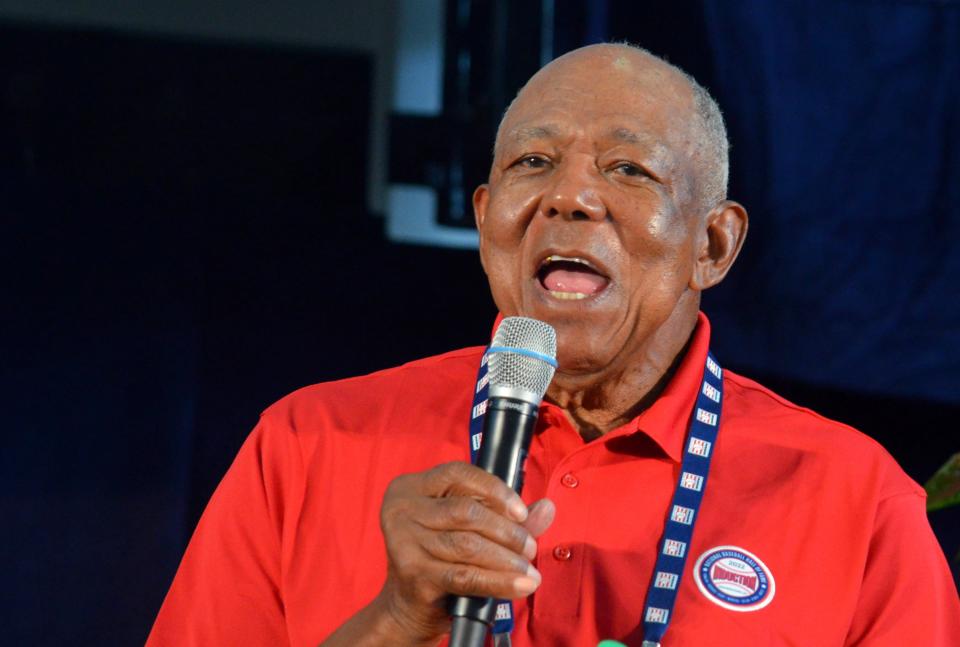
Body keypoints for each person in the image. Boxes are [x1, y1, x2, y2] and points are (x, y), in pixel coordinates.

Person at [147, 43, 960, 646]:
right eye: (534, 161)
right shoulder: (307, 444)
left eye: (629, 170)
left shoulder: (862, 506)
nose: (569, 195)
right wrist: (395, 620)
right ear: (484, 217)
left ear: (712, 245)